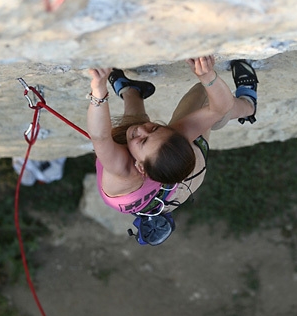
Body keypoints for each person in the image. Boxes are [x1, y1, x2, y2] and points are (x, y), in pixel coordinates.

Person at [87, 56, 258, 216]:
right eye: (154, 128)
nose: (141, 130)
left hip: (164, 191)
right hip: (183, 179)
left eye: (145, 139)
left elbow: (100, 137)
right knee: (206, 94)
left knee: (131, 133)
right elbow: (220, 107)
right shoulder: (169, 140)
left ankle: (247, 107)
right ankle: (248, 105)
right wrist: (207, 77)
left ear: (140, 167)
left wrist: (99, 89)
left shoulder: (122, 167)